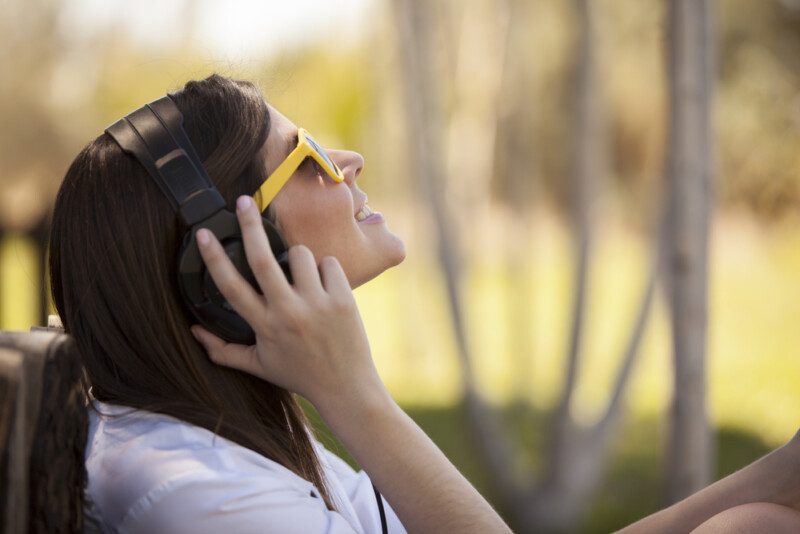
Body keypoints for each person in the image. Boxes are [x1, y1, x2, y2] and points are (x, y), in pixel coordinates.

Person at [48, 74, 511, 533]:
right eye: (308, 157)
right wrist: (353, 393)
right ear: (227, 265)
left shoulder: (229, 442)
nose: (350, 161)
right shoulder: (205, 495)